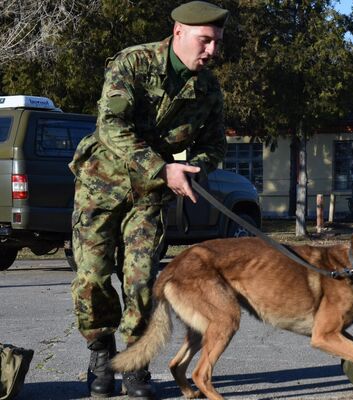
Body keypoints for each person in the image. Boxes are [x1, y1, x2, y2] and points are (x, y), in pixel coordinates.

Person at [68, 2, 228, 398]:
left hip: (149, 197)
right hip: (101, 187)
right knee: (92, 278)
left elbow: (213, 146)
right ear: (178, 32)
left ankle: (136, 364)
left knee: (141, 280)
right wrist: (162, 168)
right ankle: (101, 354)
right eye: (204, 41)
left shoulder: (208, 89)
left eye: (216, 43)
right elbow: (111, 126)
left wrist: (193, 170)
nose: (211, 51)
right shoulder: (132, 63)